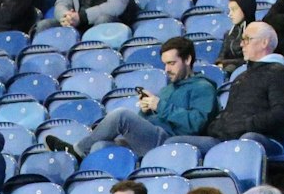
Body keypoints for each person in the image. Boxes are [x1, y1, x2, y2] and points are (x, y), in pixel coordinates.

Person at [56, 37, 216, 159]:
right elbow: (156, 118)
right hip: (149, 138)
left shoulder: (203, 87)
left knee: (121, 115)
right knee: (100, 147)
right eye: (165, 64)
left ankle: (78, 151)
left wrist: (159, 105)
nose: (167, 69)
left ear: (187, 59)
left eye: (172, 63)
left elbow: (196, 124)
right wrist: (146, 112)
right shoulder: (167, 89)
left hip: (168, 140)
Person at [172, 23, 284, 152]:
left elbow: (281, 114)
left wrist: (245, 125)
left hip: (262, 139)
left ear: (264, 43)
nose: (241, 44)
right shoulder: (241, 76)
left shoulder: (280, 73)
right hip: (228, 138)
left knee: (247, 140)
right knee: (174, 143)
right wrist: (216, 127)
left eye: (247, 39)